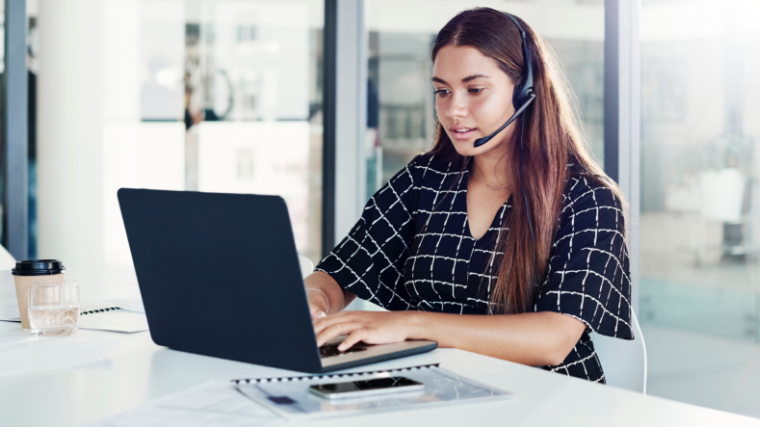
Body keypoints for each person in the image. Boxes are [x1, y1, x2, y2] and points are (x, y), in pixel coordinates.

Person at [304, 7, 633, 383]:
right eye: (442, 91)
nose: (453, 110)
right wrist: (316, 302)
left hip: (543, 401)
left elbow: (552, 340)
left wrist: (407, 324)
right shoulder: (423, 179)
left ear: (526, 90)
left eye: (475, 90)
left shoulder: (589, 199)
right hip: (426, 391)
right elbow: (338, 272)